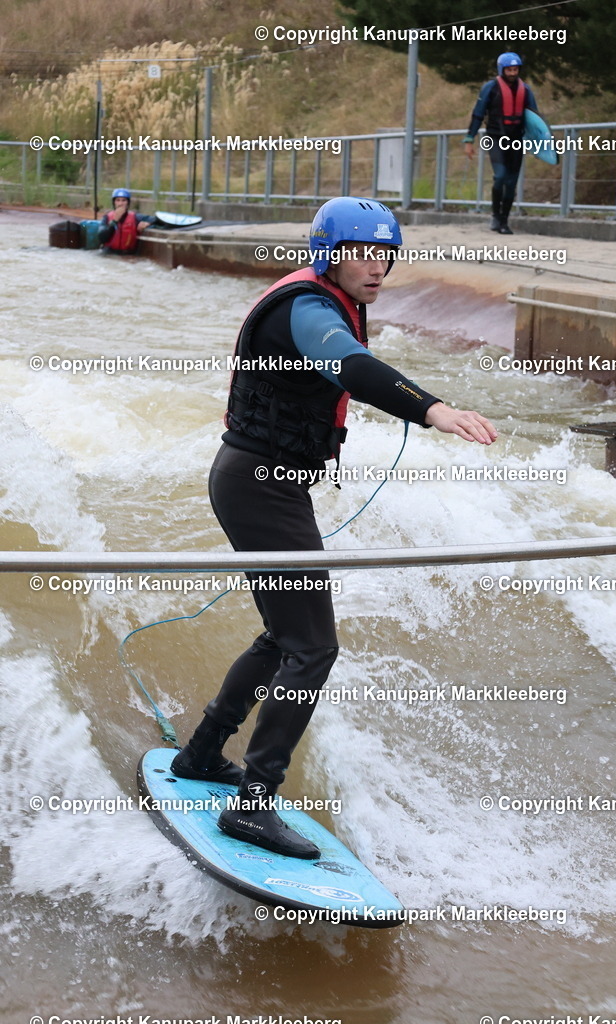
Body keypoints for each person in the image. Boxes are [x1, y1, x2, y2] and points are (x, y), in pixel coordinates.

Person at [171, 196, 497, 859]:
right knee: (312, 648)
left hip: (267, 481)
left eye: (384, 254)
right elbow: (349, 367)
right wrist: (430, 409)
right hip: (257, 484)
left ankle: (203, 755)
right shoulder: (306, 310)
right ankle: (253, 804)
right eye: (360, 253)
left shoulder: (329, 299)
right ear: (329, 254)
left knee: (284, 635)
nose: (375, 266)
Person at [464, 52, 539, 235]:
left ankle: (504, 221)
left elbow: (535, 119)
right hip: (496, 138)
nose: (513, 73)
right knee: (500, 177)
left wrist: (539, 142)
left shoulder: (526, 90)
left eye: (515, 69)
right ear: (501, 70)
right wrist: (469, 139)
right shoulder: (490, 88)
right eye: (509, 70)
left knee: (511, 182)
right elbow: (478, 114)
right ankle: (496, 215)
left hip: (516, 140)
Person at [98, 188, 151, 252]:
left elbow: (158, 220)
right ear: (114, 203)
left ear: (128, 203)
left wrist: (148, 223)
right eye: (118, 200)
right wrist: (114, 221)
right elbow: (102, 238)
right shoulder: (106, 218)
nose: (120, 204)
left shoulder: (136, 217)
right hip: (109, 253)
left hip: (127, 254)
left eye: (123, 200)